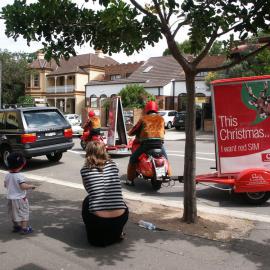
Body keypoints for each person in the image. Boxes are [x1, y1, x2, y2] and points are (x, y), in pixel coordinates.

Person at [80, 141, 128, 246]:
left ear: (88, 152)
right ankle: (118, 232)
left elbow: (89, 190)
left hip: (98, 220)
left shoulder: (85, 170)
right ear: (104, 152)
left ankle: (98, 231)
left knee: (87, 200)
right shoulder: (113, 165)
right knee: (120, 202)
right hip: (121, 216)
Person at [126, 100, 170, 186]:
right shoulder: (161, 119)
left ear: (147, 109)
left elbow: (133, 130)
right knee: (166, 158)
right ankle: (168, 174)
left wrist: (129, 133)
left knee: (133, 159)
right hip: (159, 144)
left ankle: (130, 180)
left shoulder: (143, 119)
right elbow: (163, 132)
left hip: (146, 145)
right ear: (156, 109)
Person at [4, 152, 35, 235]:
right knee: (24, 213)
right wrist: (31, 186)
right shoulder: (19, 175)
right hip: (20, 199)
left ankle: (16, 226)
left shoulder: (7, 175)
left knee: (13, 213)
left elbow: (5, 185)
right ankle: (24, 229)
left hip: (10, 198)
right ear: (21, 165)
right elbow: (23, 186)